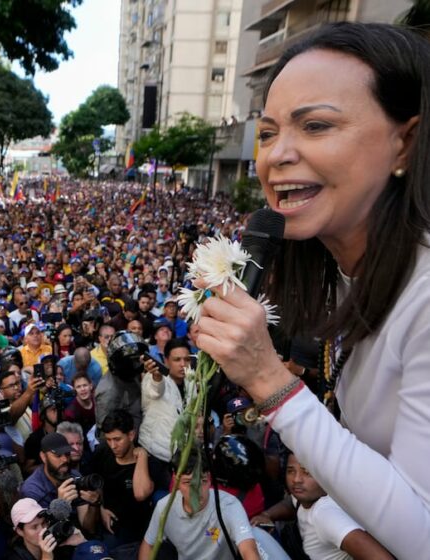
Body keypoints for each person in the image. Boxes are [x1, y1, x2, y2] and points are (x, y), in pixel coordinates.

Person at [193, 23, 430, 558]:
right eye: (269, 131)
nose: (276, 156)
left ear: (405, 143)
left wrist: (267, 379)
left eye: (316, 125)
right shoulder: (342, 278)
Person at [252, 452, 393, 560]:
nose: (296, 479)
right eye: (291, 471)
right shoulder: (308, 495)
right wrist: (267, 515)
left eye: (306, 472)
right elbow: (292, 502)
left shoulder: (326, 515)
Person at [139, 452, 261, 560]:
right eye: (187, 482)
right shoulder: (164, 507)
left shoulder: (229, 505)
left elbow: (248, 550)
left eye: (202, 481)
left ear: (209, 479)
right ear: (176, 481)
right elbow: (148, 544)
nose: (195, 491)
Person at [91, 410, 153, 560]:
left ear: (131, 435)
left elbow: (141, 493)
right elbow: (93, 485)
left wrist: (142, 458)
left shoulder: (148, 462)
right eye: (109, 439)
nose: (113, 445)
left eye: (117, 439)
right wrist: (101, 508)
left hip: (142, 530)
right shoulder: (102, 453)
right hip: (112, 529)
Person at [138, 338, 189, 495]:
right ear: (166, 361)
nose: (182, 364)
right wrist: (156, 376)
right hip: (156, 455)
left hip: (180, 457)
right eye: (177, 359)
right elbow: (155, 389)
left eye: (186, 359)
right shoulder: (153, 378)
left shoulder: (191, 383)